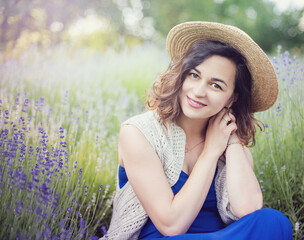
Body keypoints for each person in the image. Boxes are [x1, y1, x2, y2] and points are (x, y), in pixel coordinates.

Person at [102, 21, 292, 240]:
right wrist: (211, 152)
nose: (199, 91)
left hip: (222, 236)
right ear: (181, 75)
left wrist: (232, 141)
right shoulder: (138, 133)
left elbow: (248, 210)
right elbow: (171, 226)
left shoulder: (232, 148)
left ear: (232, 98)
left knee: (274, 221)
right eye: (194, 75)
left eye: (216, 85)